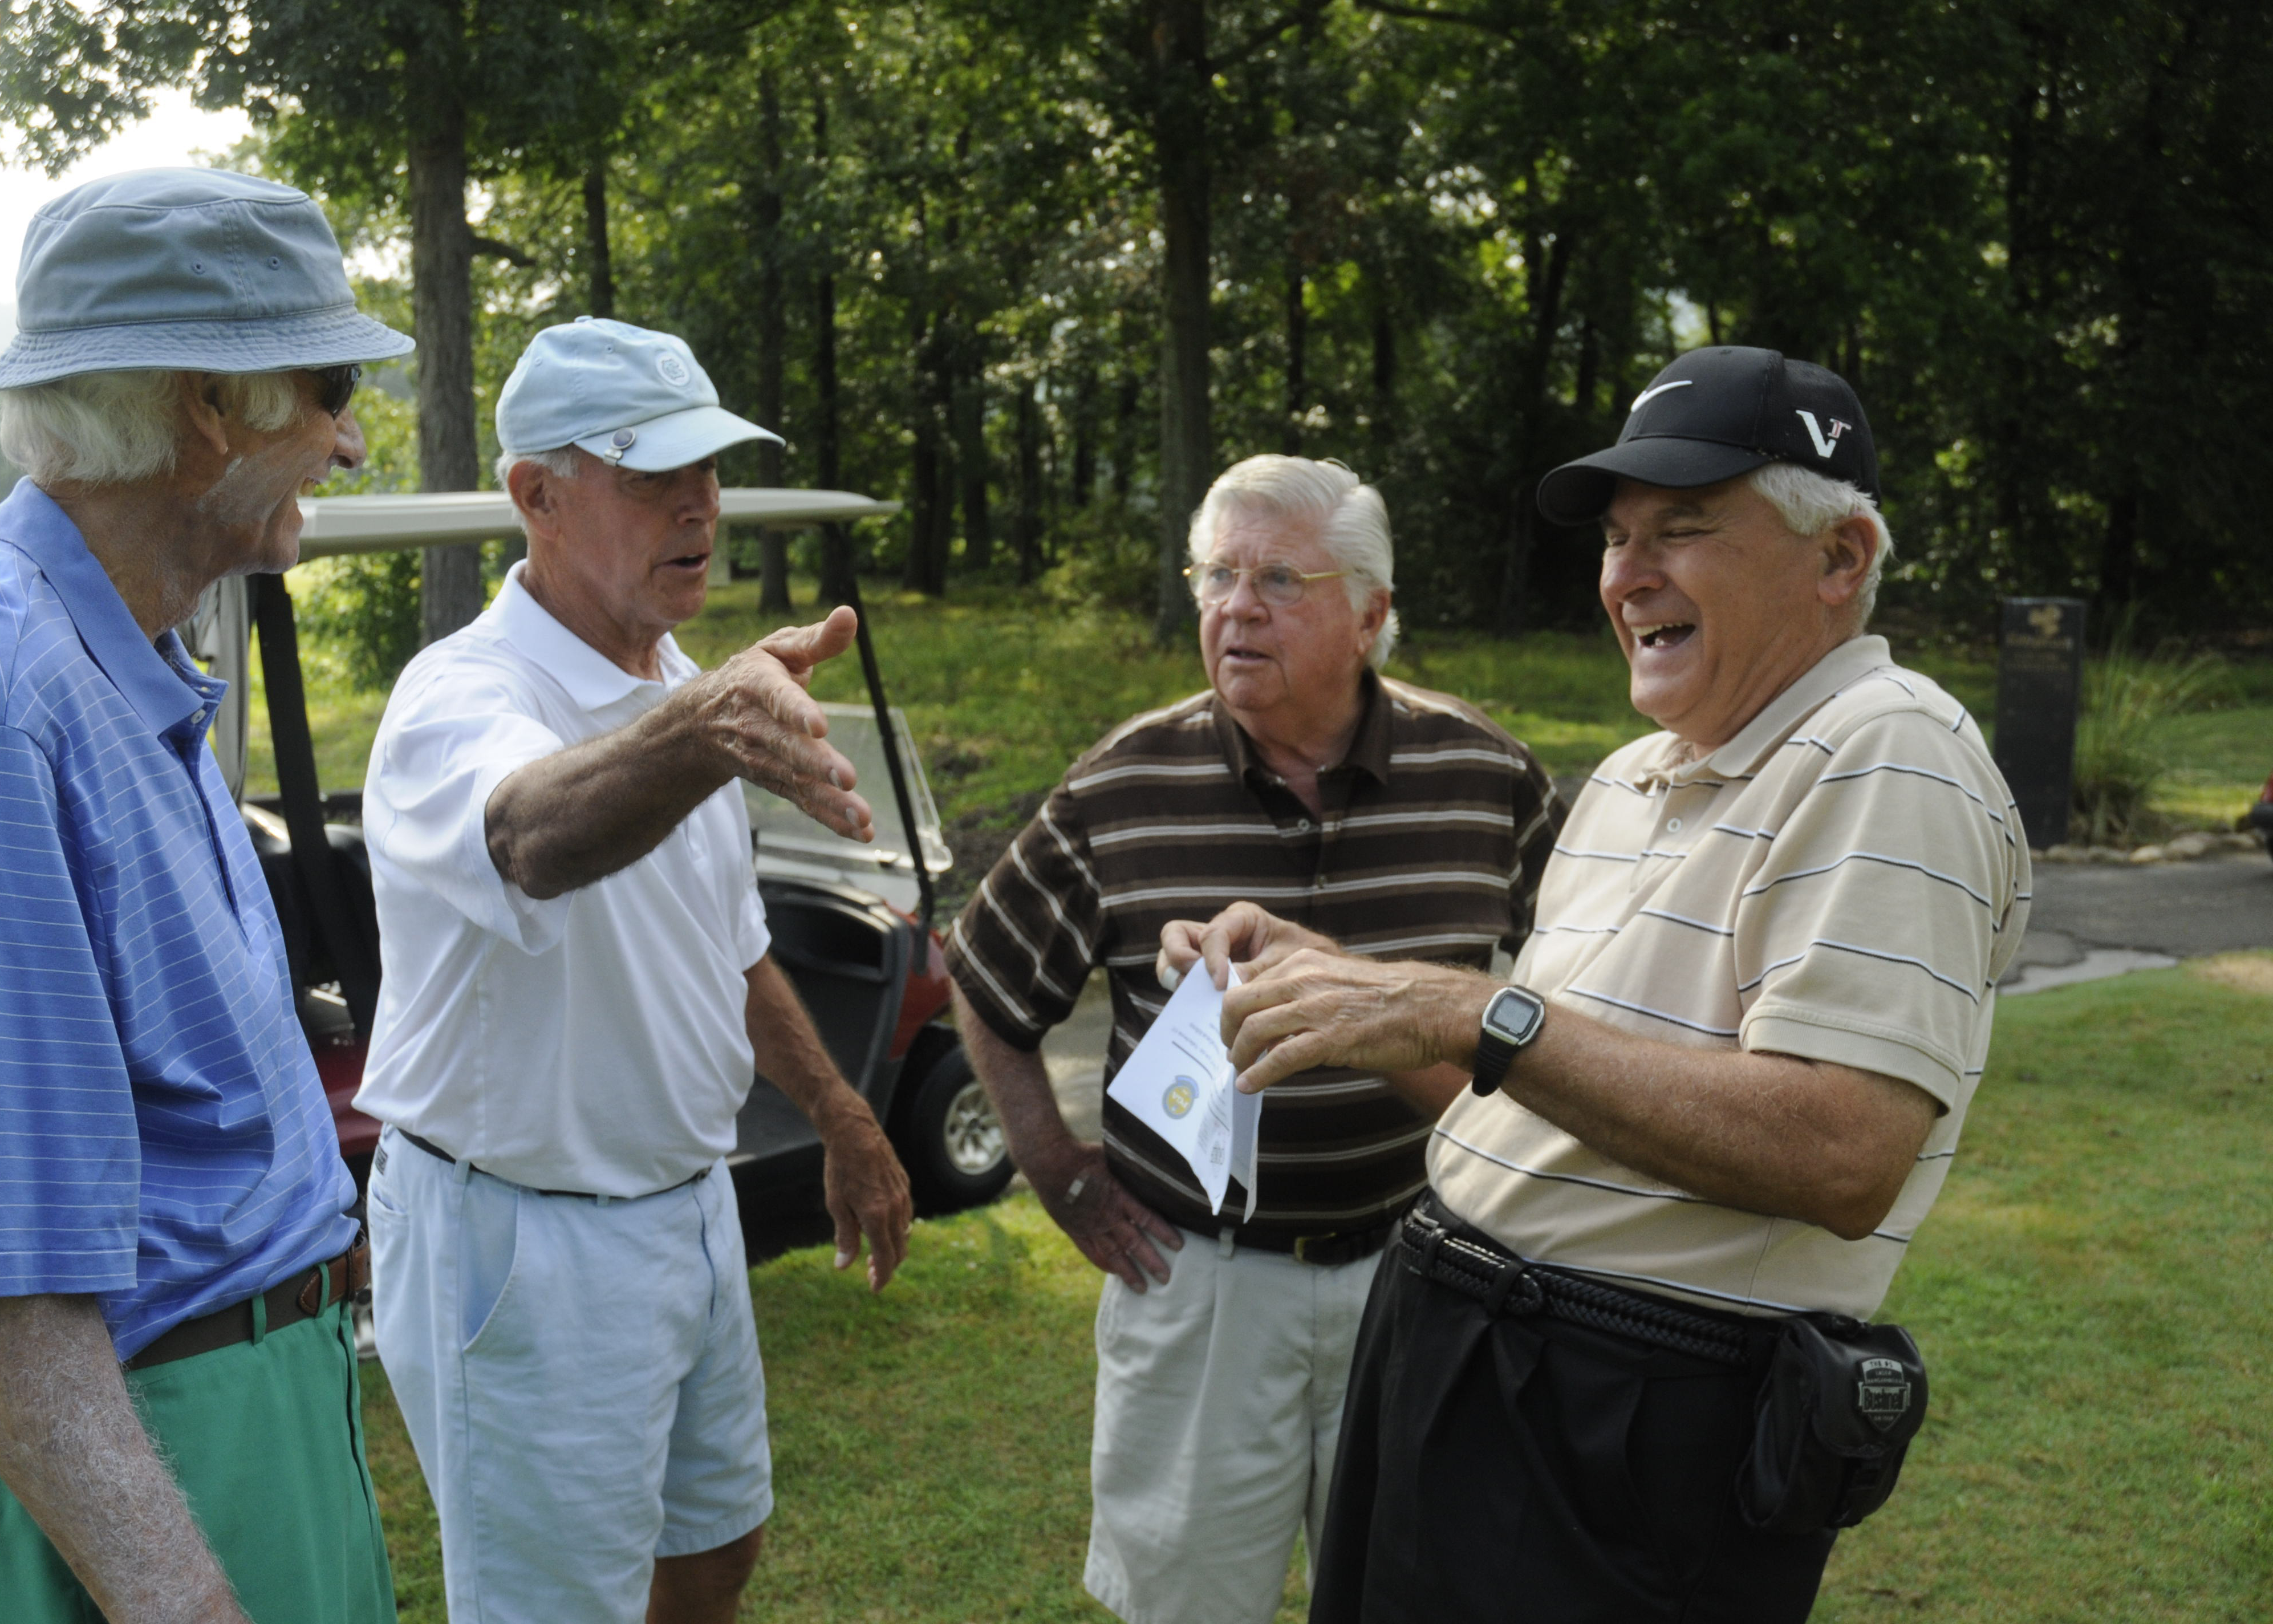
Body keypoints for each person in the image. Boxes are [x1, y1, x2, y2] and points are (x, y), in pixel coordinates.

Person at [1176, 348, 2032, 1622]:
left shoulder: (1890, 748)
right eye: (1617, 537)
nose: (1625, 575)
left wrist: (1470, 1011)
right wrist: (1346, 990)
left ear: (1838, 558)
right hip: (1456, 1346)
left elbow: (1845, 1150)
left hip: (1619, 1410)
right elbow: (1538, 1090)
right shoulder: (1637, 772)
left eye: (1681, 529)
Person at [0, 169, 408, 1623]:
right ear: (205, 408)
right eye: (327, 387)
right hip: (126, 1485)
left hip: (234, 1424)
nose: (346, 438)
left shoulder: (115, 659)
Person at [355, 316, 915, 1624]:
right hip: (521, 1232)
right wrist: (705, 726)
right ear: (534, 495)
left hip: (684, 1201)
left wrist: (842, 1117)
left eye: (711, 469)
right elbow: (532, 836)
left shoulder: (678, 680)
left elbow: (726, 948)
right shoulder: (460, 695)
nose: (700, 504)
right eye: (654, 472)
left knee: (716, 1543)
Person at [948, 454, 1562, 1624]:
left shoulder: (1487, 778)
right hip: (1199, 1284)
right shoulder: (1121, 783)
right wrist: (1057, 1168)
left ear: (1371, 614)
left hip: (1416, 1272)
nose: (1234, 605)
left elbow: (1586, 994)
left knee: (1408, 1595)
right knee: (1183, 1605)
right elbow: (983, 978)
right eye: (1216, 573)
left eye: (1279, 576)